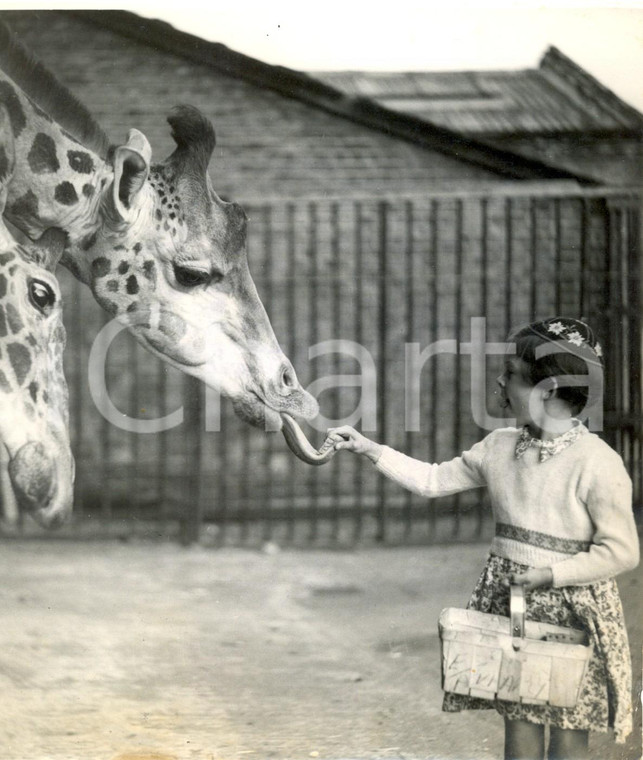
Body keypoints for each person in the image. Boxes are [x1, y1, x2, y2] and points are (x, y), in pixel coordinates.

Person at [324, 317, 639, 760]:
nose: (499, 380)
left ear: (547, 391)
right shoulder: (499, 447)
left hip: (573, 609)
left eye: (510, 374)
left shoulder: (597, 463)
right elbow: (433, 480)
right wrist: (369, 449)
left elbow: (622, 551)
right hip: (513, 606)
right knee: (520, 720)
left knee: (568, 731)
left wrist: (550, 574)